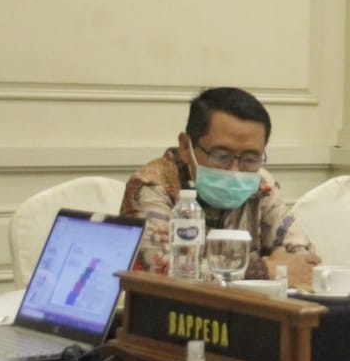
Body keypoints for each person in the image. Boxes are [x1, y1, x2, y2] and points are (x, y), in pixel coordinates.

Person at [121, 86, 320, 285]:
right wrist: (264, 269)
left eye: (250, 158)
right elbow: (159, 270)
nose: (235, 170)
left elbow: (304, 262)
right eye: (221, 156)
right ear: (184, 146)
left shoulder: (261, 184)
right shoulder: (151, 186)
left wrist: (284, 265)